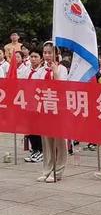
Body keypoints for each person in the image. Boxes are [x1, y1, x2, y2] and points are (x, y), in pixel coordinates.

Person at [34, 41, 68, 183]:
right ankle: (47, 169)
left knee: (59, 141)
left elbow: (63, 88)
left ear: (56, 54)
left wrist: (55, 73)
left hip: (58, 109)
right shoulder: (40, 71)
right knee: (46, 141)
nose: (47, 55)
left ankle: (58, 170)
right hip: (44, 108)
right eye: (45, 52)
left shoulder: (62, 69)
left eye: (50, 53)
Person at [20, 47, 44, 163]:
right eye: (32, 57)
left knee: (38, 127)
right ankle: (34, 149)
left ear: (41, 58)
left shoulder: (42, 71)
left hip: (38, 103)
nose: (33, 59)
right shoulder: (26, 70)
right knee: (29, 127)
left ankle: (41, 150)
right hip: (27, 102)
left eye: (36, 57)